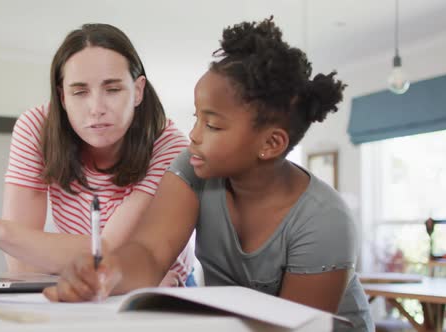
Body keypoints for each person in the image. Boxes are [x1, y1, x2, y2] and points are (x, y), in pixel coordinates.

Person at [43, 17, 374, 331]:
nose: (195, 135)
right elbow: (149, 252)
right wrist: (108, 272)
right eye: (197, 117)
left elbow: (295, 326)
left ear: (271, 143)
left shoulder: (324, 221)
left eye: (213, 124)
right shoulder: (194, 168)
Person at [0, 23, 194, 286]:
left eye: (112, 90)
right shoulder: (36, 128)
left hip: (158, 286)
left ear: (138, 91)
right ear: (63, 97)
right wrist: (63, 258)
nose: (96, 108)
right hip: (81, 282)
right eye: (79, 92)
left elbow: (108, 253)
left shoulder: (169, 146)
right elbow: (22, 266)